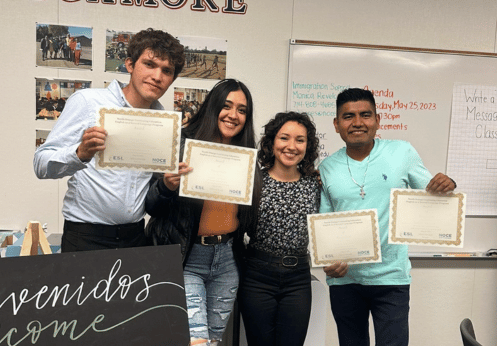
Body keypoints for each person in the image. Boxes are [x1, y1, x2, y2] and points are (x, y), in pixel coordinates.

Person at [319, 88, 456, 346]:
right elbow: (326, 224)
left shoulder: (402, 153)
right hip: (345, 281)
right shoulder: (326, 168)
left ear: (378, 120)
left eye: (365, 115)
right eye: (348, 116)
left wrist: (448, 183)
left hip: (391, 279)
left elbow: (434, 195)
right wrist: (328, 258)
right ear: (336, 124)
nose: (357, 122)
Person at [33, 28, 185, 253]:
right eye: (149, 65)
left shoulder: (164, 123)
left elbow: (153, 193)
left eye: (167, 70)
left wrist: (168, 185)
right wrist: (79, 154)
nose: (157, 76)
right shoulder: (88, 102)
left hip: (135, 237)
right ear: (130, 65)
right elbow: (40, 164)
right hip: (85, 237)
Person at [145, 79, 260, 346]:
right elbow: (151, 206)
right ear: (212, 107)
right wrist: (166, 185)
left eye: (242, 110)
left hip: (227, 262)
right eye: (227, 106)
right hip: (187, 258)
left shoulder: (245, 155)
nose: (234, 115)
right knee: (196, 342)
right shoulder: (182, 145)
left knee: (214, 340)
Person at [238, 111, 320, 346]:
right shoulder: (253, 182)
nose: (291, 146)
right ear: (272, 141)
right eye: (284, 138)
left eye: (300, 140)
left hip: (298, 280)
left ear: (308, 145)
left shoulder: (315, 184)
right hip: (257, 277)